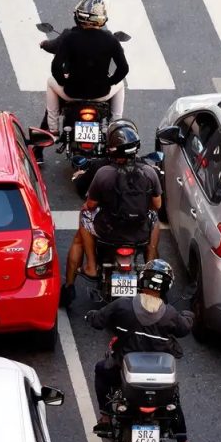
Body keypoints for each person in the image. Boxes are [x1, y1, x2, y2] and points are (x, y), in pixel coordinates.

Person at [85, 259, 195, 442]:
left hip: (123, 373)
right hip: (160, 380)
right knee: (172, 401)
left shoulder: (122, 305)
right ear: (167, 286)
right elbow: (184, 329)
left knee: (101, 369)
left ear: (142, 280)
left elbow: (99, 320)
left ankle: (106, 417)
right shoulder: (170, 313)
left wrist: (91, 316)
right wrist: (188, 315)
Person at [60, 122, 162, 307]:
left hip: (107, 232)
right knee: (155, 220)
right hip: (140, 234)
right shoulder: (149, 172)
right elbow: (157, 205)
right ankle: (150, 264)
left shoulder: (103, 173)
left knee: (84, 218)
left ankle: (88, 267)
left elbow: (90, 205)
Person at [44, 0, 128, 134]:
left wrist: (63, 82)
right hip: (101, 93)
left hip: (71, 93)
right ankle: (114, 127)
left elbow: (55, 67)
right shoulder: (110, 39)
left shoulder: (70, 37)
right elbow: (123, 69)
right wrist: (109, 82)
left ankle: (52, 128)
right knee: (120, 86)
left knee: (50, 82)